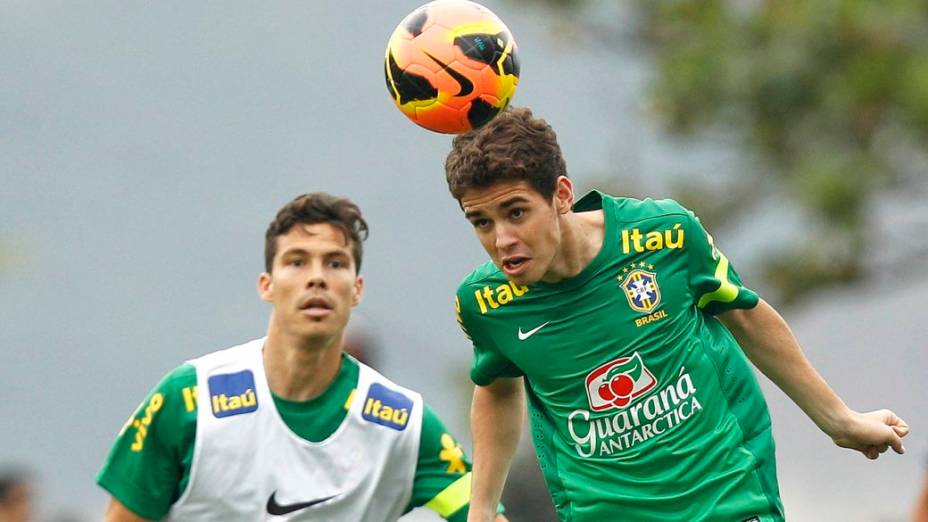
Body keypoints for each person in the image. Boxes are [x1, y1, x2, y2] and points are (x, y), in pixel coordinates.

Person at [444, 106, 910, 521]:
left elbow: (744, 314)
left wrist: (839, 419)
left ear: (561, 194)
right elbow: (497, 390)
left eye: (516, 213)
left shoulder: (662, 234)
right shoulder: (485, 303)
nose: (502, 239)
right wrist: (482, 510)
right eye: (482, 222)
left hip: (727, 499)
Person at [97, 193, 506, 521]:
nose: (317, 277)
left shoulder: (402, 424)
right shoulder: (188, 399)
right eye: (296, 262)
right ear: (267, 285)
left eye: (335, 263)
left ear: (357, 289)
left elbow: (482, 513)